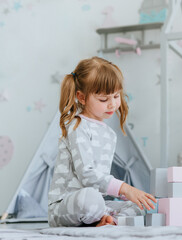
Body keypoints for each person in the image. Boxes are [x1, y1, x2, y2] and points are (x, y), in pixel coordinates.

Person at [48, 56, 156, 227]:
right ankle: (101, 217)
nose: (112, 104)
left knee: (142, 204)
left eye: (116, 96)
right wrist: (126, 189)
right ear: (82, 98)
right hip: (67, 206)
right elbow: (87, 174)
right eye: (104, 99)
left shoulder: (109, 134)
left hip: (96, 204)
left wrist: (130, 195)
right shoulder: (77, 127)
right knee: (90, 198)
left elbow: (102, 180)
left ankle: (106, 221)